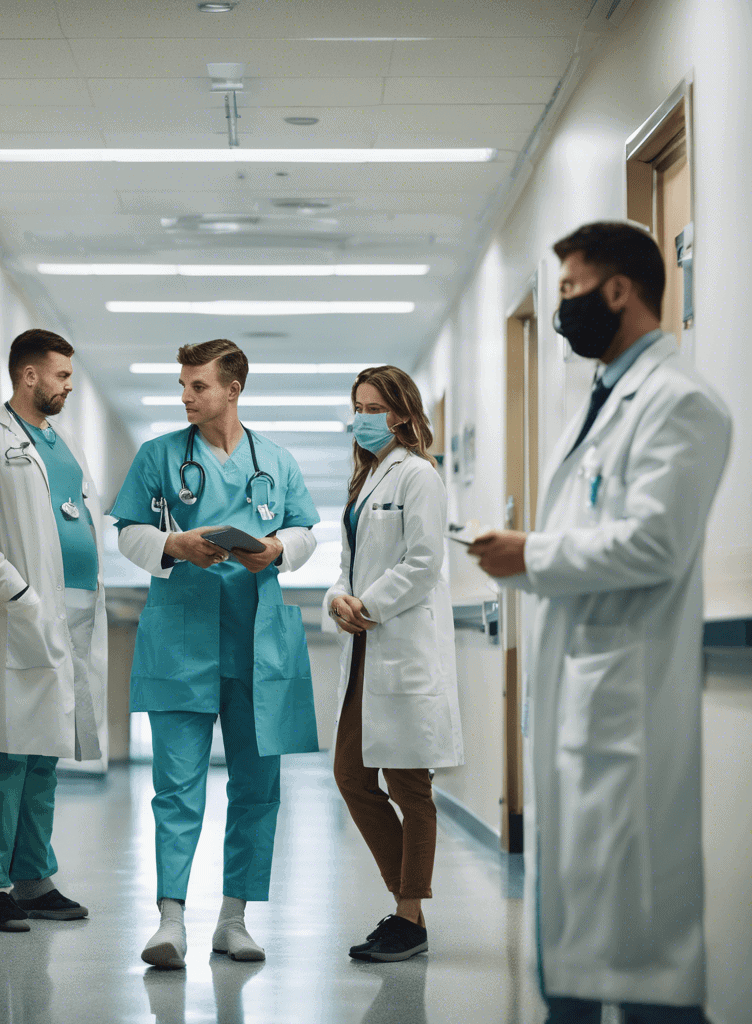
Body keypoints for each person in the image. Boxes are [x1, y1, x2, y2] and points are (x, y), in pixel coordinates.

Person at [468, 222, 732, 1023]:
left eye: (574, 289)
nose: (563, 309)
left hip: (629, 704)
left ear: (621, 289)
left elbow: (655, 542)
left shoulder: (681, 403)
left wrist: (532, 556)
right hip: (587, 695)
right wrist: (534, 555)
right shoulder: (609, 398)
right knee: (584, 935)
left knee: (642, 949)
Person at [109, 338, 320, 969]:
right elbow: (129, 532)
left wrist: (279, 549)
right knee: (176, 788)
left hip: (256, 641)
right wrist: (176, 545)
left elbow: (305, 528)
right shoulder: (159, 456)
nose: (186, 397)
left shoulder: (275, 462)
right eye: (182, 386)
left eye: (198, 386)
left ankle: (234, 919)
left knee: (257, 788)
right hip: (181, 640)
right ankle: (171, 920)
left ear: (233, 388)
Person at [0, 329, 107, 933]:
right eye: (61, 375)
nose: (67, 386)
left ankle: (35, 878)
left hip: (73, 612)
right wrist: (19, 592)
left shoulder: (61, 446)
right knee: (2, 754)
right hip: (18, 613)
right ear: (30, 375)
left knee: (44, 753)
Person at [325, 365, 463, 963]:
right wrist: (338, 596)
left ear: (403, 414)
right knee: (352, 778)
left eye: (374, 407)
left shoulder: (419, 476)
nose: (363, 417)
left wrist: (368, 604)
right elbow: (349, 562)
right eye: (358, 406)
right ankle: (409, 907)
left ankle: (408, 916)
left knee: (411, 787)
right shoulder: (365, 480)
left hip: (398, 642)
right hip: (363, 651)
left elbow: (424, 562)